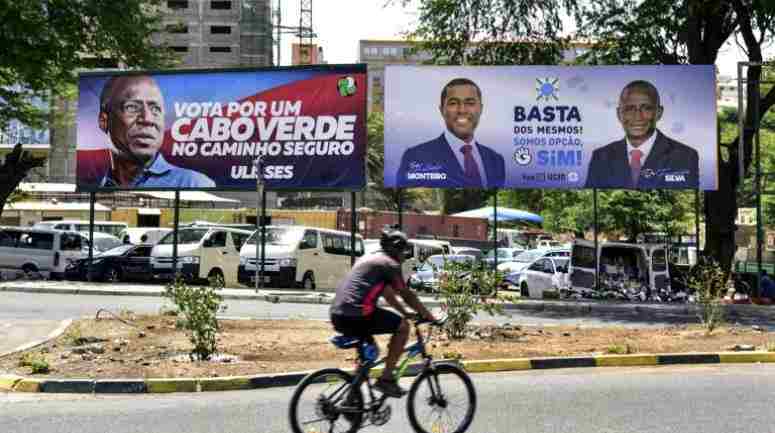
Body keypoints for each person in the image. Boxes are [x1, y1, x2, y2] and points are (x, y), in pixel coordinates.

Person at [329, 226, 436, 398]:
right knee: (402, 327)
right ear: (396, 249)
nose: (404, 256)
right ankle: (387, 380)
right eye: (403, 251)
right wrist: (429, 316)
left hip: (338, 314)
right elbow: (406, 294)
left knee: (369, 355)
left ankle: (352, 400)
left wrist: (406, 313)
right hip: (357, 314)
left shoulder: (370, 259)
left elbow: (389, 295)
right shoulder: (389, 264)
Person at [97, 74, 215, 188]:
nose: (148, 119)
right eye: (132, 107)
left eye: (155, 109)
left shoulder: (192, 184)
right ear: (104, 121)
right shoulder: (97, 186)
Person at [585, 80, 699, 189]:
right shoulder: (600, 157)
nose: (638, 116)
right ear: (619, 114)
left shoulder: (685, 156)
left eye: (646, 108)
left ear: (659, 112)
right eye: (629, 109)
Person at [396, 78, 506, 188]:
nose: (462, 110)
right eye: (453, 103)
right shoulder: (416, 156)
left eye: (470, 103)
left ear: (480, 109)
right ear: (442, 110)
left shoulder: (496, 160)